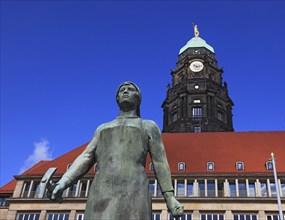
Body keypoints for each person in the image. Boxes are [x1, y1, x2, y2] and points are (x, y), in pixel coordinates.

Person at [49, 81, 184, 219]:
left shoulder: (148, 126)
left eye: (130, 89)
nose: (125, 91)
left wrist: (169, 197)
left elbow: (160, 162)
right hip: (102, 191)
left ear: (138, 99)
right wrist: (63, 182)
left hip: (135, 189)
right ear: (117, 98)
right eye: (122, 90)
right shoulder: (102, 128)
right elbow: (86, 157)